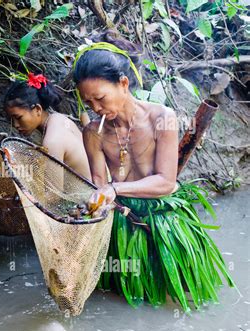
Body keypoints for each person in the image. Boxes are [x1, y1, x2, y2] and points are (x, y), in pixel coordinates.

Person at [73, 36, 236, 311]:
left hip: (165, 220)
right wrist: (96, 201)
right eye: (89, 104)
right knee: (126, 298)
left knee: (184, 299)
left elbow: (166, 181)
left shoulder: (162, 117)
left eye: (100, 98)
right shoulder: (93, 133)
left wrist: (115, 189)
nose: (96, 109)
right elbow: (99, 186)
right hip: (123, 225)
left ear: (123, 84)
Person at [4, 72, 92, 181]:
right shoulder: (58, 118)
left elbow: (53, 197)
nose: (16, 125)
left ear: (37, 109)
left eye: (18, 117)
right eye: (12, 120)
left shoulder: (52, 141)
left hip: (89, 195)